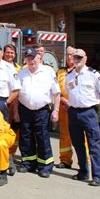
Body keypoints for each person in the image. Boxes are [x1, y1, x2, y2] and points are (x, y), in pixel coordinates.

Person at [14, 49, 60, 178]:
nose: (31, 60)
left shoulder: (48, 72)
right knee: (26, 137)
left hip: (42, 110)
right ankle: (28, 163)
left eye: (33, 58)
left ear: (39, 58)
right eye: (28, 58)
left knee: (43, 138)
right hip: (25, 109)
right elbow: (17, 95)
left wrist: (56, 110)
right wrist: (16, 112)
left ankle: (45, 166)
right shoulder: (21, 73)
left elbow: (57, 93)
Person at [66, 49, 100, 186]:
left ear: (85, 58)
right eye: (75, 57)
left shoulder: (93, 74)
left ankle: (97, 176)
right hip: (73, 113)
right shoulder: (69, 76)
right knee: (78, 145)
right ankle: (83, 172)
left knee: (93, 145)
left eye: (80, 57)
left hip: (89, 113)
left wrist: (95, 106)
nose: (77, 59)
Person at [56, 46, 83, 169]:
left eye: (72, 54)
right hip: (63, 108)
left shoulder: (82, 71)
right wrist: (63, 101)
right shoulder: (60, 72)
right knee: (64, 135)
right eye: (67, 54)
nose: (69, 57)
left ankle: (85, 160)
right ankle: (65, 160)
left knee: (82, 136)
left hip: (78, 109)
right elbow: (56, 91)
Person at [3, 43, 21, 176]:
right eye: (7, 52)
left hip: (13, 104)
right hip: (2, 104)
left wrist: (15, 110)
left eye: (12, 52)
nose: (9, 55)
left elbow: (18, 91)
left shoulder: (19, 69)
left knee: (13, 131)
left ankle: (10, 155)